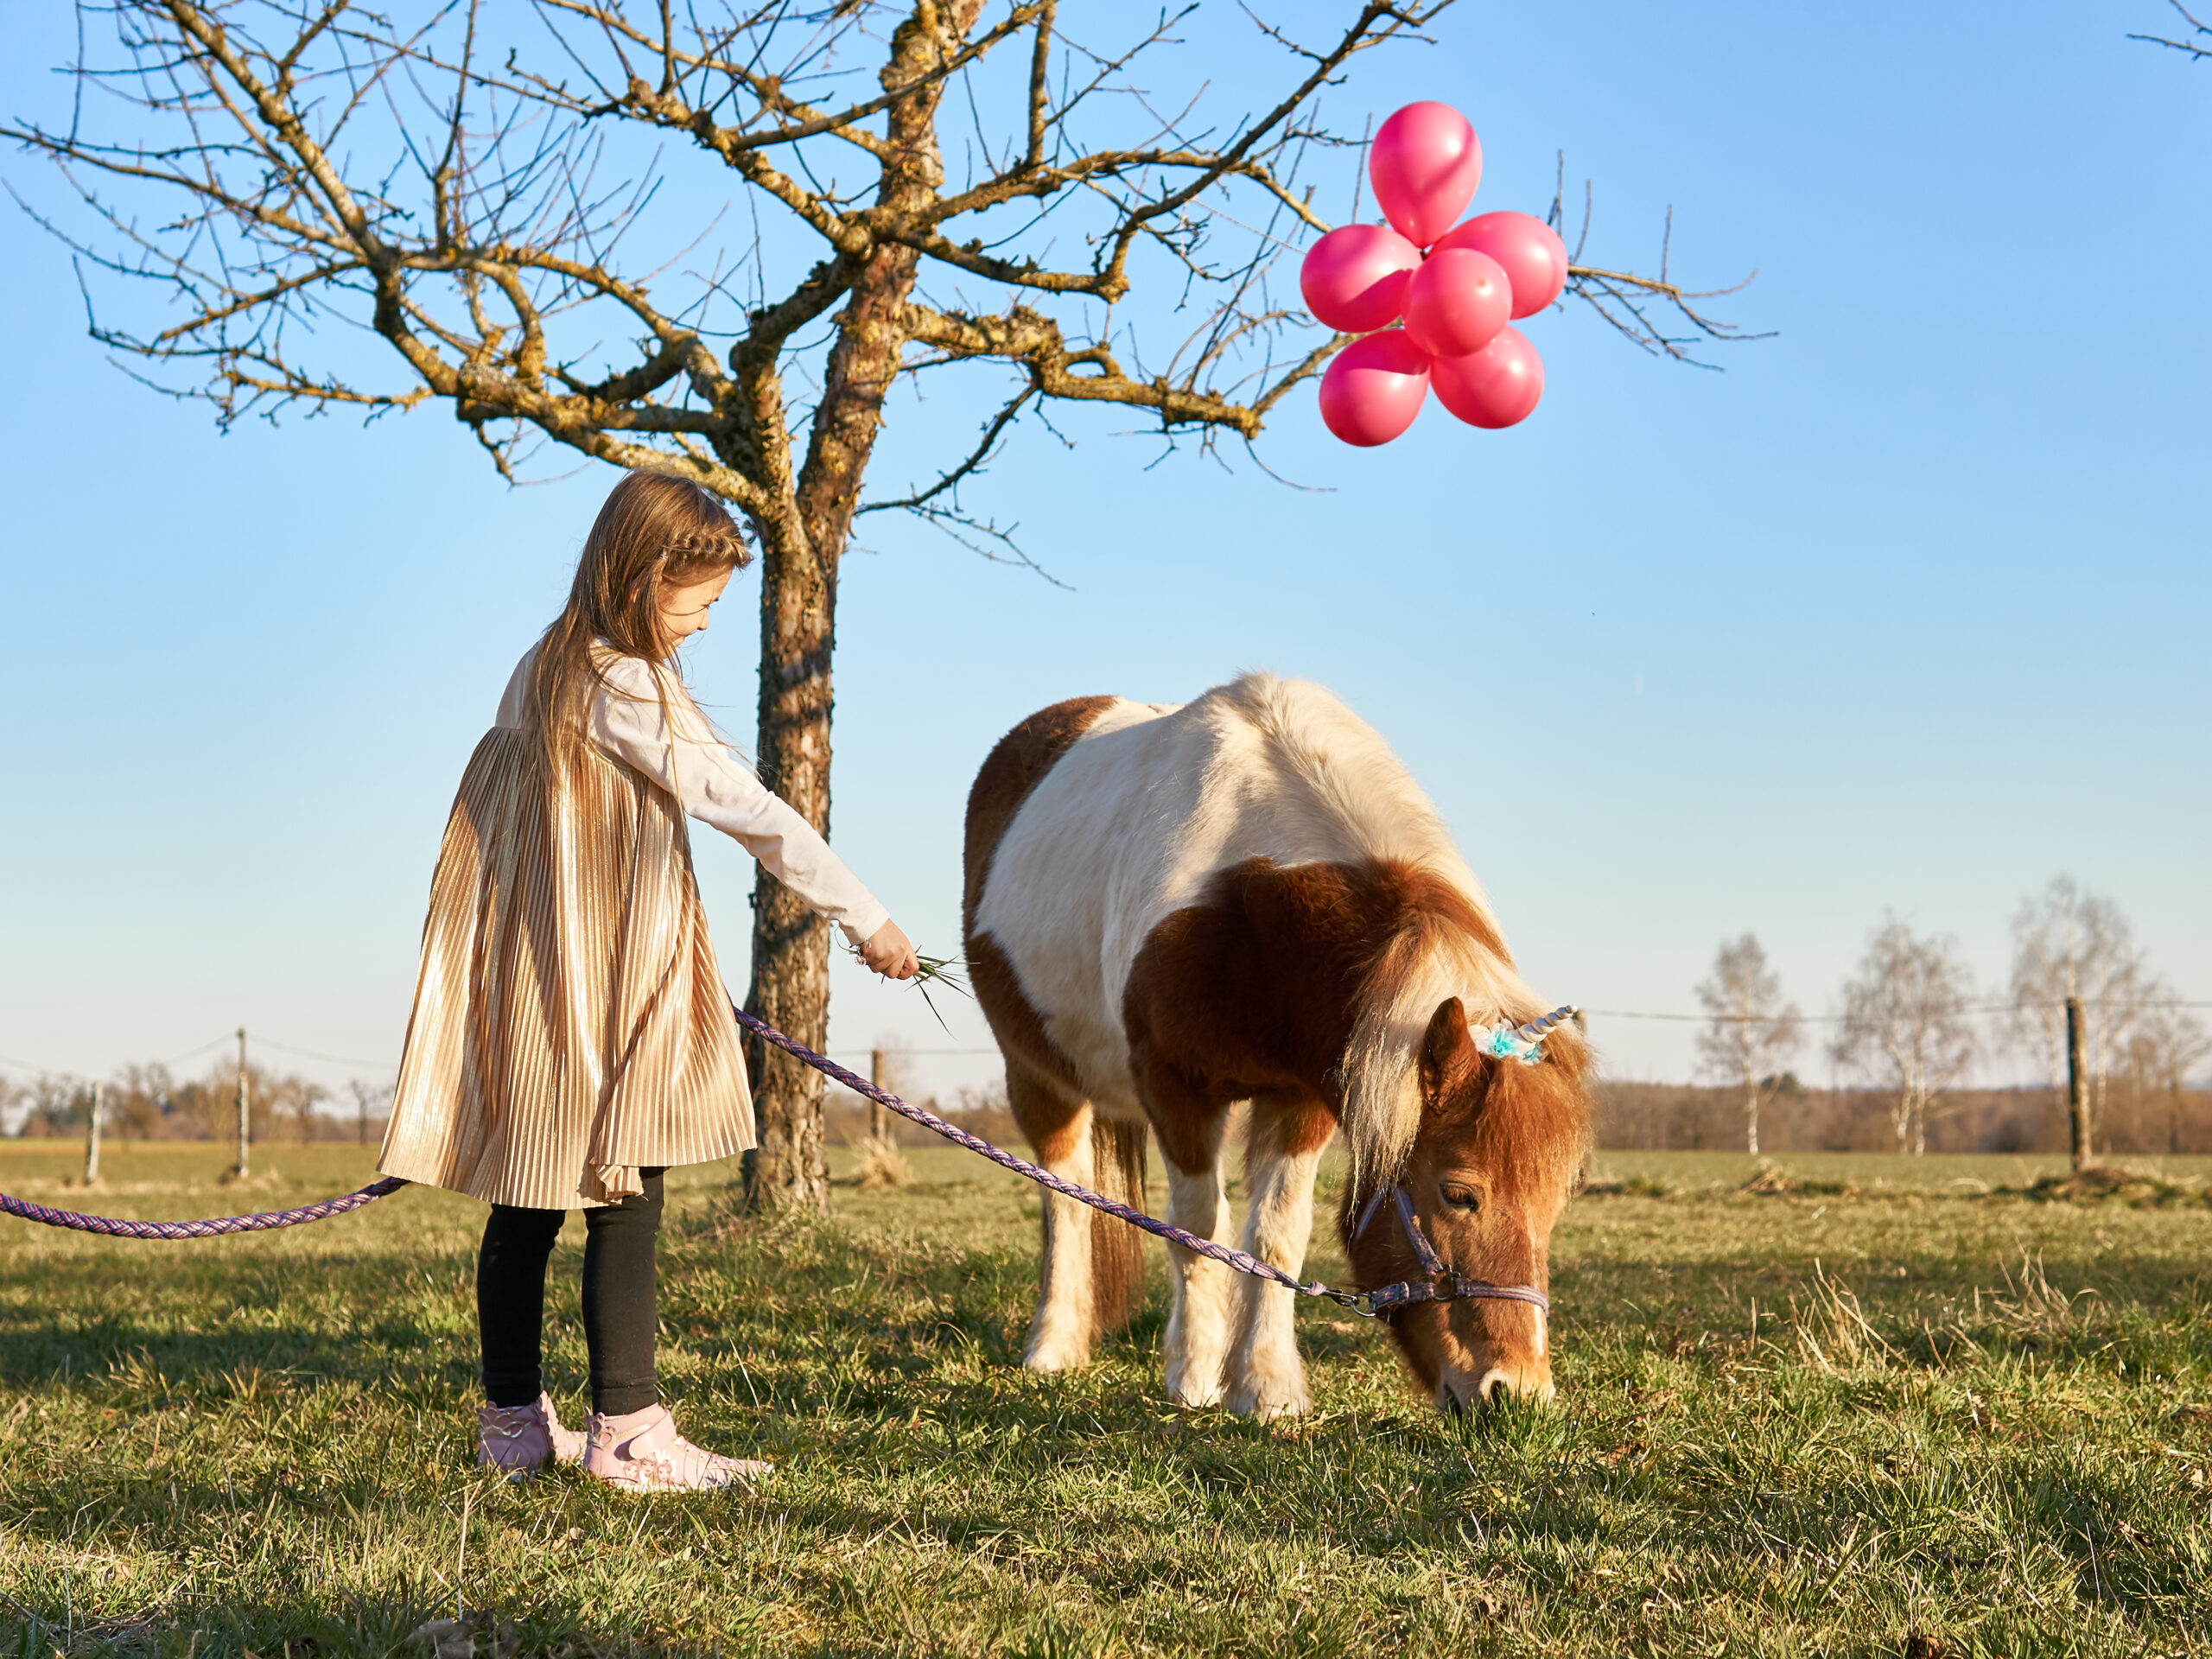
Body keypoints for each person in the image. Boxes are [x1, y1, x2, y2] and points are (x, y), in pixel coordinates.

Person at [378, 469, 918, 1492]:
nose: (706, 625)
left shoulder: (542, 666)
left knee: (527, 1197)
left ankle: (513, 1428)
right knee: (629, 1183)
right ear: (644, 577)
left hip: (534, 976)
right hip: (603, 978)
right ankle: (628, 1430)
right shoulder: (623, 683)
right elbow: (747, 806)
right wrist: (868, 914)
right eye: (700, 601)